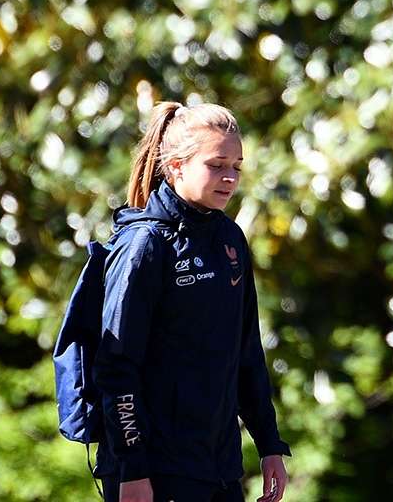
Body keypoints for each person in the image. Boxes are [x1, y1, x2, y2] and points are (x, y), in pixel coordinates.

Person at [96, 101, 291, 502]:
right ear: (176, 167)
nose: (229, 177)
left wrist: (269, 444)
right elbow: (116, 367)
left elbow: (246, 352)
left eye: (236, 166)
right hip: (156, 471)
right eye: (216, 165)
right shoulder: (145, 244)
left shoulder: (230, 239)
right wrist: (133, 468)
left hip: (219, 467)